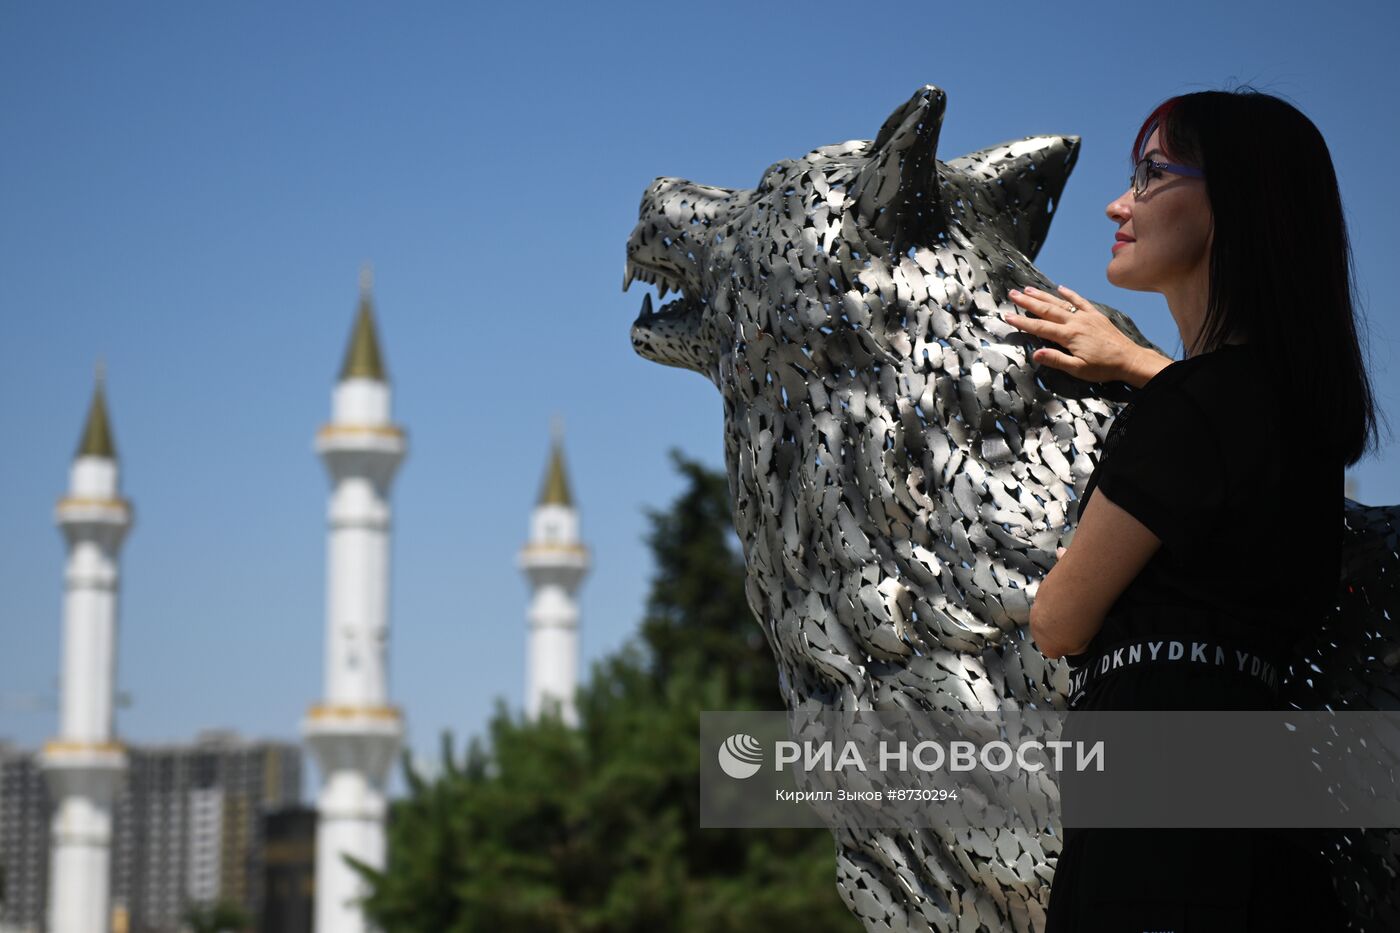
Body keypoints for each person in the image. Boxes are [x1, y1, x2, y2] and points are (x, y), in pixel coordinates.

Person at [1003, 88, 1383, 931]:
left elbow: (1058, 620)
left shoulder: (1192, 414)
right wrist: (1143, 364)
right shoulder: (1303, 429)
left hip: (1147, 848)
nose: (1117, 201)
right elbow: (1233, 418)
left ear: (1233, 205)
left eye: (1150, 174)